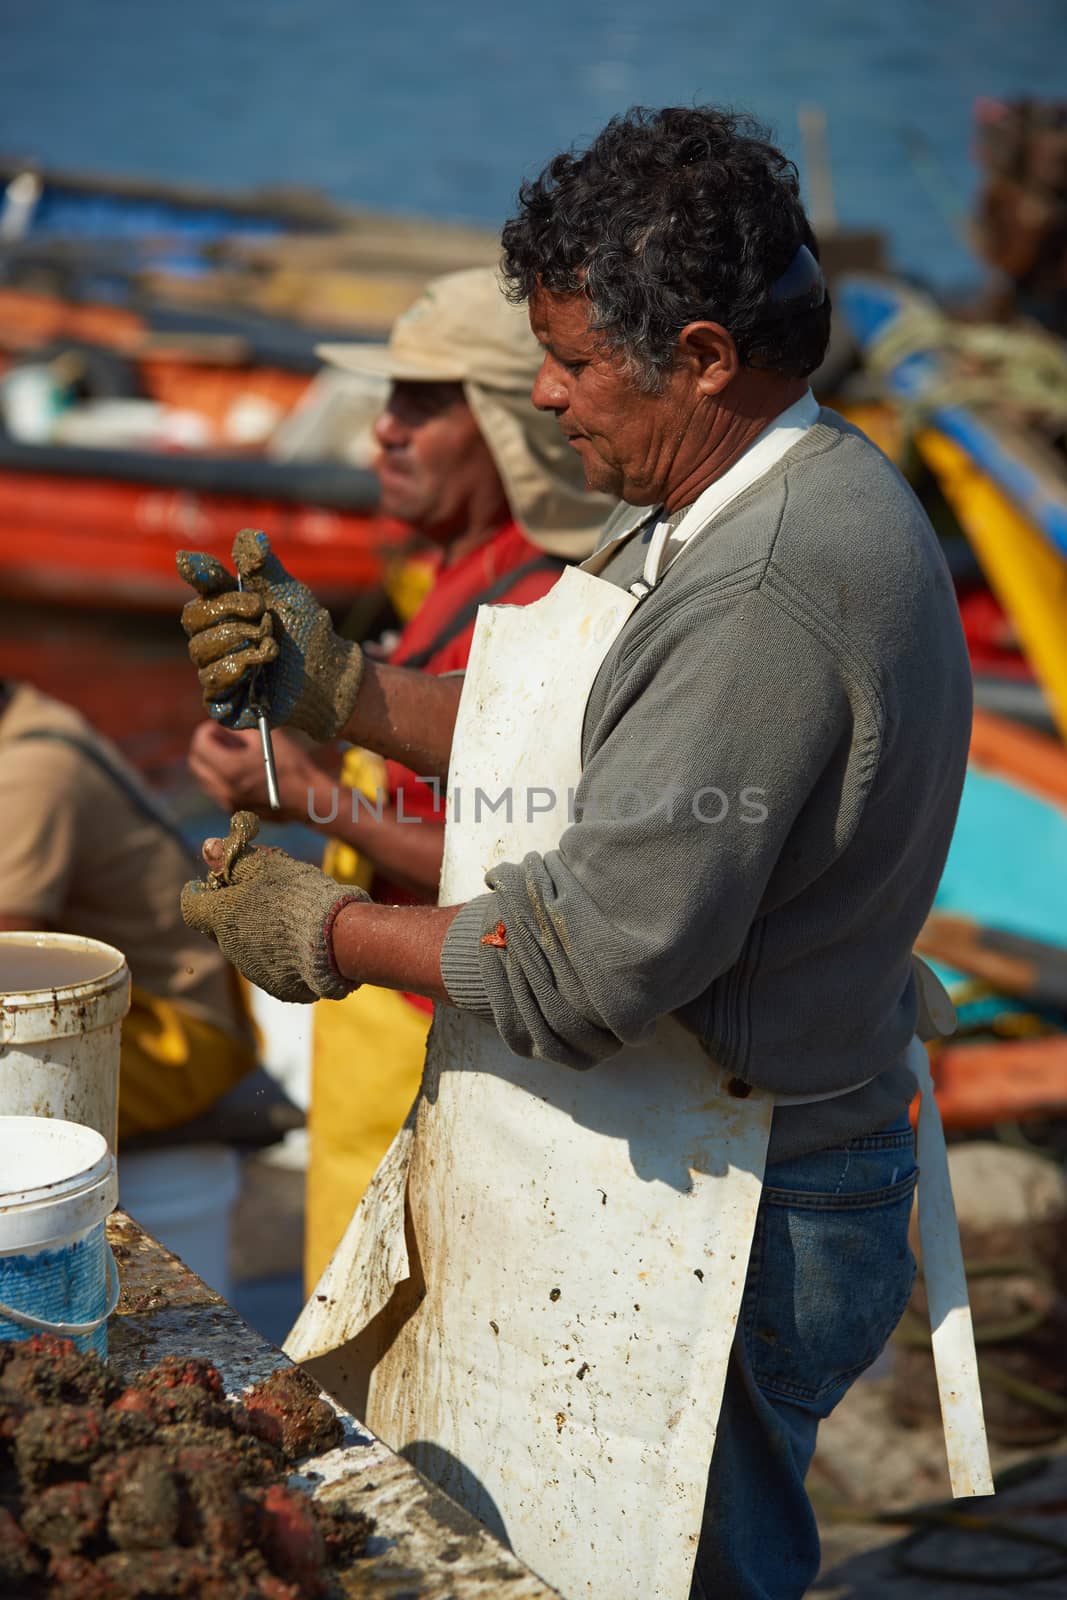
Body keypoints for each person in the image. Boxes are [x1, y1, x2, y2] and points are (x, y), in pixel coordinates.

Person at [176, 108, 984, 1600]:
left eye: (570, 361)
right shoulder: (750, 486)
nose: (541, 396)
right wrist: (339, 685)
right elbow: (575, 724)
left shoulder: (766, 582)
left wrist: (328, 932)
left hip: (749, 1208)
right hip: (711, 1159)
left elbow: (580, 958)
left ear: (697, 354)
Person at [185, 266, 612, 1287]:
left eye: (424, 404)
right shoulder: (442, 580)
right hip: (373, 1042)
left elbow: (509, 864)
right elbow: (439, 790)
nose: (383, 430)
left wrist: (304, 793)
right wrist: (289, 765)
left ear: (509, 427)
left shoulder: (529, 610)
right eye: (389, 401)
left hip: (433, 1051)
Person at [0, 678, 256, 1141]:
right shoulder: (26, 713)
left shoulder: (28, 773)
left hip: (177, 1034)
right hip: (125, 1006)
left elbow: (8, 967)